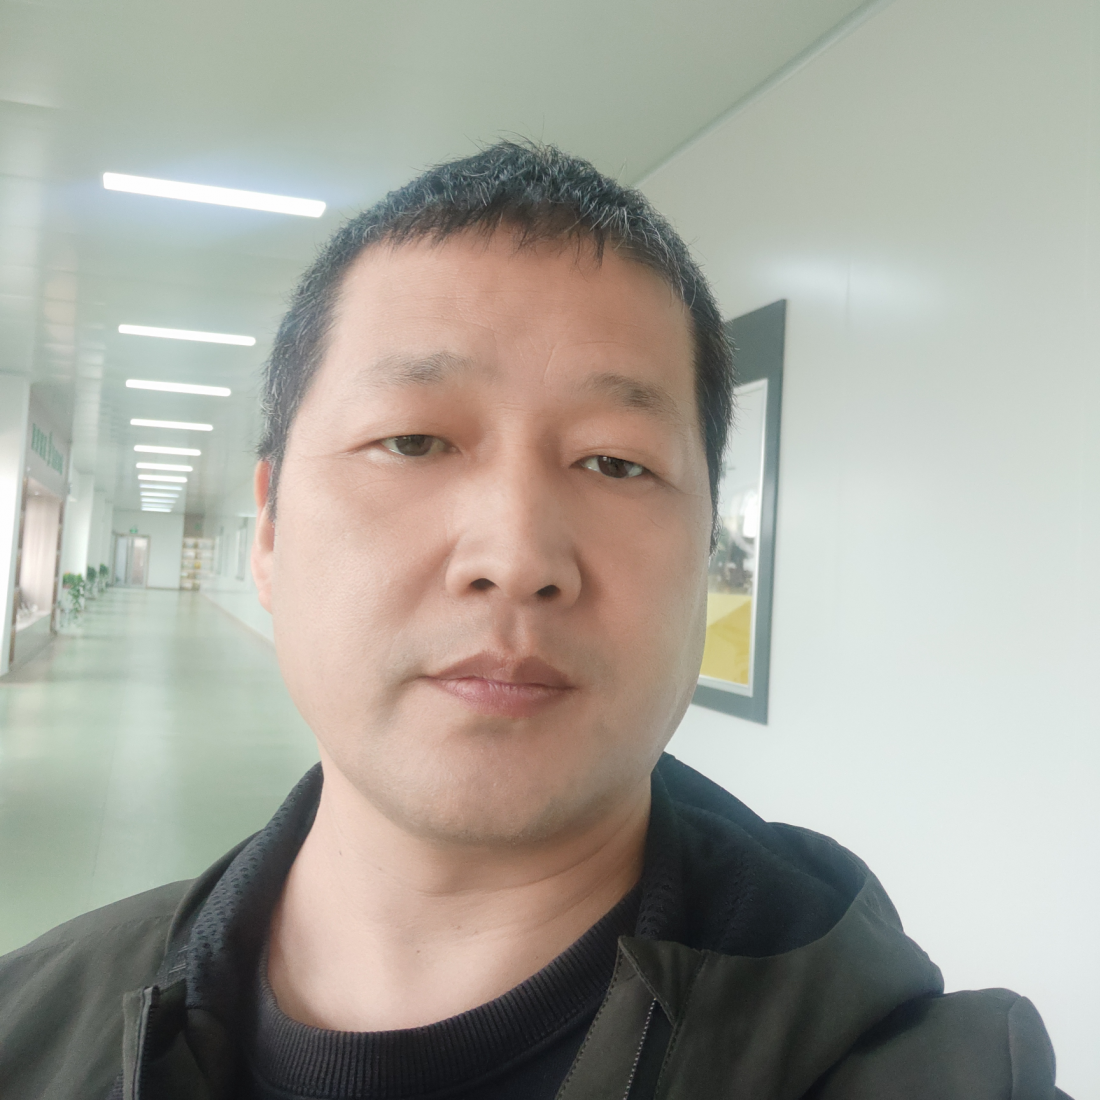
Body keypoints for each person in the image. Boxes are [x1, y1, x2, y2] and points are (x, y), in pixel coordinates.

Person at [0, 143, 1069, 1100]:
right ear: (271, 527)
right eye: (413, 441)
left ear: (708, 548)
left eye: (616, 462)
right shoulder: (34, 1028)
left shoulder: (932, 1070)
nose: (515, 556)